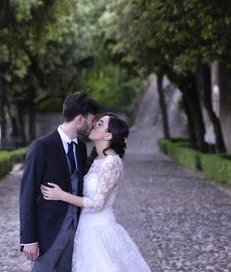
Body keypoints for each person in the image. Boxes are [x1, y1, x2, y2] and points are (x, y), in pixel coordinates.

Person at [41, 113, 151, 272]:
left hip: (99, 230)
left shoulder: (111, 164)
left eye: (100, 124)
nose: (94, 125)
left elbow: (97, 204)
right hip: (86, 228)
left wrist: (62, 195)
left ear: (108, 135)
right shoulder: (96, 160)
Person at [19, 92, 99, 272]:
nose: (94, 124)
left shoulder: (80, 147)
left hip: (75, 231)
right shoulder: (42, 146)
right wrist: (29, 239)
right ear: (80, 119)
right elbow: (27, 194)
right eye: (93, 119)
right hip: (48, 233)